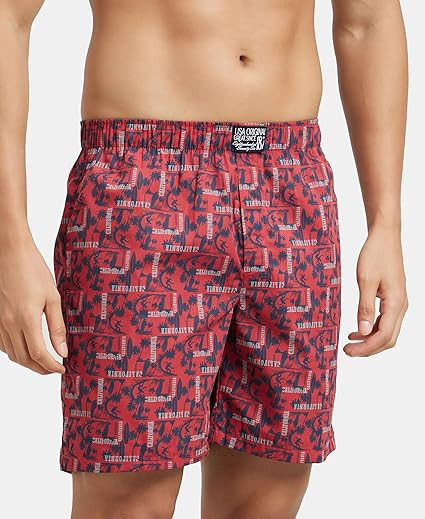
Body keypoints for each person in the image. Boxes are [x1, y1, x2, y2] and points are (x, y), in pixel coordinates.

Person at [0, 1, 409, 518]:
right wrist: (9, 242)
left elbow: (367, 21)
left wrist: (386, 224)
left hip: (291, 181)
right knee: (128, 495)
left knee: (269, 489)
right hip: (144, 181)